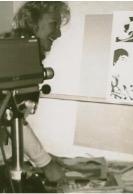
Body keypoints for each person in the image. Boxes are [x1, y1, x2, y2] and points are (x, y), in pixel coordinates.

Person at [0, 1, 70, 183]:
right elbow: (10, 117)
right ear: (32, 24)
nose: (59, 33)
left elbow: (13, 121)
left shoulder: (20, 54)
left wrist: (35, 159)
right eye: (53, 25)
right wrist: (45, 163)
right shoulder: (12, 56)